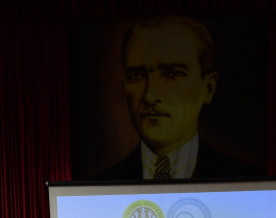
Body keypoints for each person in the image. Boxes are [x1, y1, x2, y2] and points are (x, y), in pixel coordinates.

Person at [93, 16, 258, 182]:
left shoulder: (250, 180)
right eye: (136, 76)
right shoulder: (98, 187)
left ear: (208, 88)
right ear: (124, 91)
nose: (150, 96)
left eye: (173, 74)